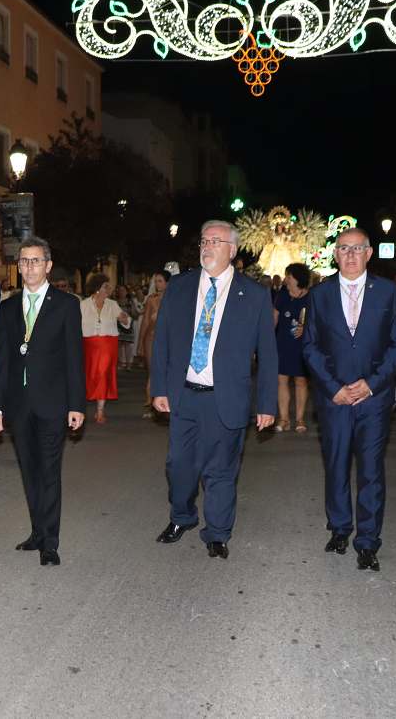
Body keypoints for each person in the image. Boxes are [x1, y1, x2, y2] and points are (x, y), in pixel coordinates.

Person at [150, 220, 277, 560]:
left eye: (215, 242)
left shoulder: (254, 295)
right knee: (179, 465)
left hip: (227, 397)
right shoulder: (180, 287)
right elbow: (161, 339)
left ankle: (217, 532)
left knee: (221, 470)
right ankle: (182, 516)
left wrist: (266, 403)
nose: (207, 247)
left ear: (232, 251)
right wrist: (159, 386)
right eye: (204, 241)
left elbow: (268, 353)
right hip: (184, 394)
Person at [302, 229, 396, 572]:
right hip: (333, 398)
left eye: (356, 249)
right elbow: (311, 347)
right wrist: (333, 387)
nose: (349, 255)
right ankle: (339, 527)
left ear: (369, 253)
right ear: (335, 254)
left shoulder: (388, 292)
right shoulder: (319, 294)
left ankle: (367, 541)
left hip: (373, 399)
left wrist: (372, 385)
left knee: (371, 471)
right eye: (343, 249)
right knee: (335, 466)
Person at [0, 236, 85, 566]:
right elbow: (1, 361)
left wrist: (77, 405)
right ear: (18, 268)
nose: (29, 267)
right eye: (24, 262)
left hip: (53, 403)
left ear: (48, 265)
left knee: (48, 471)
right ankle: (36, 532)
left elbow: (75, 358)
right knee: (29, 471)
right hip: (18, 405)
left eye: (35, 261)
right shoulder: (7, 308)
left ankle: (51, 542)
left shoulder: (66, 305)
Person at [80, 274, 130, 424]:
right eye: (105, 286)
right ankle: (84, 407)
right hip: (89, 344)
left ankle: (100, 411)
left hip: (108, 344)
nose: (108, 289)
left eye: (109, 286)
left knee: (103, 375)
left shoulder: (112, 304)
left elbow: (125, 321)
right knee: (90, 376)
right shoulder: (83, 305)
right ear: (97, 288)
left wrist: (124, 318)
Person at [273, 262, 312, 433]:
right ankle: (284, 419)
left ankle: (300, 419)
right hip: (282, 343)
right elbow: (272, 321)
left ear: (298, 278)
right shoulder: (281, 296)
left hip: (302, 345)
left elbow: (319, 322)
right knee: (281, 380)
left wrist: (306, 329)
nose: (286, 279)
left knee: (301, 381)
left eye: (289, 276)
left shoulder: (311, 297)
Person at [136, 270, 169, 417]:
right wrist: (140, 344)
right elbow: (145, 322)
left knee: (166, 371)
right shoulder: (151, 299)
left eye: (160, 281)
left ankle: (164, 403)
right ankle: (151, 404)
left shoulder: (174, 298)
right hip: (151, 338)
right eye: (156, 281)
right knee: (153, 371)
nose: (157, 284)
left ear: (168, 282)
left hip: (168, 340)